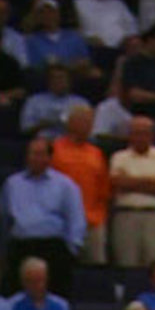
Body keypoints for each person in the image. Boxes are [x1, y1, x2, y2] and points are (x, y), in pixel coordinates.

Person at [0, 136, 86, 297]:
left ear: (49, 157)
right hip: (21, 247)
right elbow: (4, 219)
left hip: (52, 248)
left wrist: (71, 250)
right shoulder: (12, 184)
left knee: (56, 297)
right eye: (32, 153)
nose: (35, 158)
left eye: (40, 154)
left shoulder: (65, 185)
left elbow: (76, 220)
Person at [108, 115, 155, 268]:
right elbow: (117, 183)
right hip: (126, 216)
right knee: (125, 265)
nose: (140, 137)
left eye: (144, 133)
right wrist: (150, 181)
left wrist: (130, 181)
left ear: (152, 135)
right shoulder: (118, 157)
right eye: (135, 133)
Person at [50, 104, 110, 266]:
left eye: (91, 122)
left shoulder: (96, 153)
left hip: (92, 222)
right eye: (84, 121)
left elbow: (104, 190)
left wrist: (98, 216)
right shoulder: (55, 149)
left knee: (95, 269)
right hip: (61, 222)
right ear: (71, 123)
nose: (89, 126)